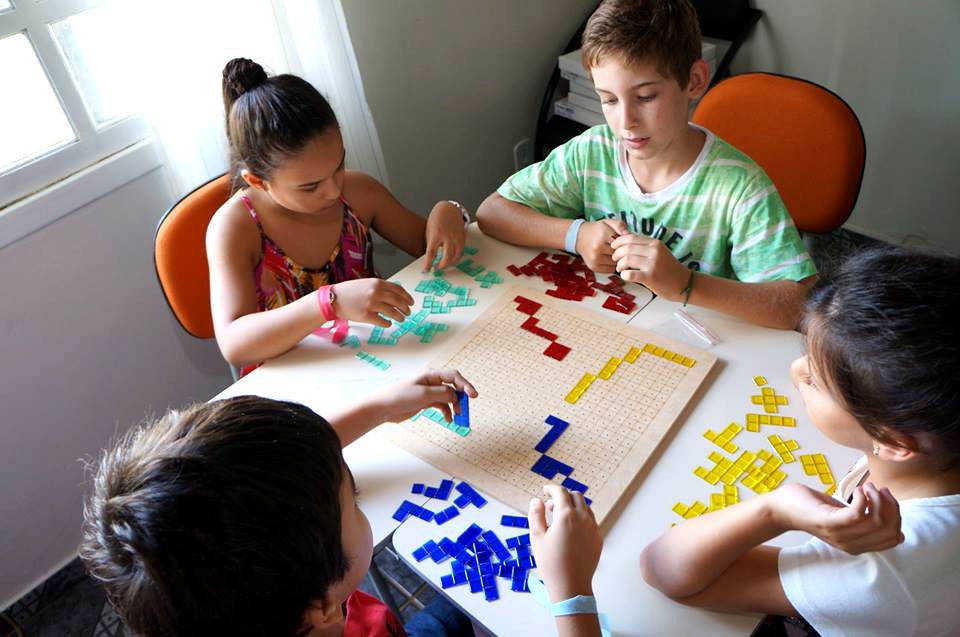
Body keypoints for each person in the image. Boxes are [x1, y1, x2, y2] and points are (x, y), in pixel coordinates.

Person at [80, 370, 605, 636]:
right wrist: (572, 596)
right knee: (490, 611)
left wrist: (378, 408)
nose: (357, 500)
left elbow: (269, 479)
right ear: (324, 607)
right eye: (351, 501)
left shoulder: (247, 600)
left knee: (459, 606)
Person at [639, 246, 960, 636]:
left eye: (816, 381)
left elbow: (665, 570)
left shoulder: (881, 569)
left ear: (893, 442)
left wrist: (776, 510)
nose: (795, 371)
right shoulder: (936, 439)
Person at [476, 0, 816, 329]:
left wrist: (686, 283)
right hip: (610, 329)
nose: (626, 122)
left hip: (702, 342)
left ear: (695, 81)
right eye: (608, 99)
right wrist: (575, 235)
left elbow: (798, 304)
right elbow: (493, 212)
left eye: (645, 97)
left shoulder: (738, 187)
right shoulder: (591, 152)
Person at [207, 58, 469, 371]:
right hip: (292, 387)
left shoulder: (358, 192)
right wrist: (328, 303)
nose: (333, 191)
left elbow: (431, 247)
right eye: (311, 186)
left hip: (378, 363)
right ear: (257, 181)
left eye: (338, 166)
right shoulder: (235, 227)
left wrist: (448, 211)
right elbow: (235, 344)